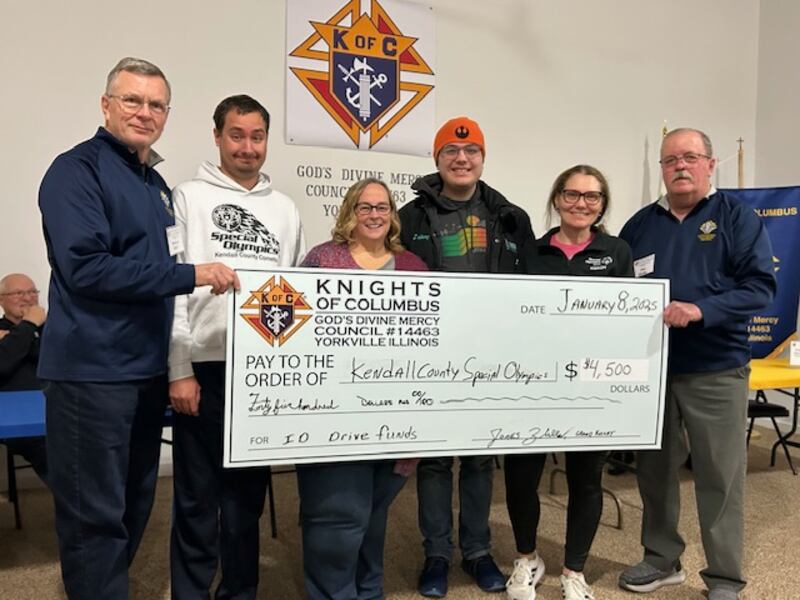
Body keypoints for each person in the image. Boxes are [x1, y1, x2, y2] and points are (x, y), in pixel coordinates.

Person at [37, 57, 238, 600]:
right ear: (106, 105)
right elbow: (86, 267)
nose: (143, 112)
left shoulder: (155, 184)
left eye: (155, 104)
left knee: (133, 504)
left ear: (167, 114)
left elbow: (152, 275)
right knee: (93, 519)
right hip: (91, 375)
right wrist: (192, 275)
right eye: (132, 100)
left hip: (144, 372)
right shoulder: (75, 170)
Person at [617, 128, 776, 600]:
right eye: (670, 160)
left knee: (719, 476)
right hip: (653, 371)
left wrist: (702, 310)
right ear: (662, 169)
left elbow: (760, 287)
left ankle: (725, 577)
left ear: (710, 164)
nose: (679, 166)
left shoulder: (737, 218)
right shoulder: (639, 225)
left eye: (690, 157)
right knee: (655, 470)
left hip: (716, 368)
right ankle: (662, 559)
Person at [168, 94, 306, 600]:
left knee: (246, 500)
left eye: (257, 136)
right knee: (197, 499)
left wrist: (285, 371)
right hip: (202, 365)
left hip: (260, 374)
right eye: (236, 135)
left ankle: (240, 591)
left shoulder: (285, 208)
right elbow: (173, 287)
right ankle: (190, 592)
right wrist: (178, 367)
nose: (247, 147)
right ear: (217, 136)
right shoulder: (187, 197)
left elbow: (292, 298)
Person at [399, 117, 535, 597]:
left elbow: (529, 290)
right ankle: (436, 552)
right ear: (437, 159)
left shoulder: (511, 216)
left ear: (482, 157)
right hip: (431, 355)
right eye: (452, 152)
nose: (462, 158)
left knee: (479, 459)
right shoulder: (411, 216)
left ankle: (477, 551)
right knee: (434, 461)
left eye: (472, 150)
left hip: (491, 357)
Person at [504, 166, 633, 600]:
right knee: (522, 476)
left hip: (592, 388)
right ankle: (527, 559)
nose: (582, 203)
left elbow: (627, 322)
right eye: (572, 194)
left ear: (603, 204)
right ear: (557, 199)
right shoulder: (530, 251)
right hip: (533, 384)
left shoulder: (617, 252)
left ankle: (574, 570)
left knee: (587, 479)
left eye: (592, 197)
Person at [297, 177, 426, 600]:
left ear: (393, 216)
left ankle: (368, 591)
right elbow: (295, 330)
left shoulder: (412, 267)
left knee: (372, 518)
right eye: (365, 207)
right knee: (338, 520)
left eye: (383, 207)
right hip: (334, 413)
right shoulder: (322, 259)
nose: (374, 215)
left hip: (394, 416)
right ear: (350, 212)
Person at [0, 273, 48, 482]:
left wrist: (14, 339)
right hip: (20, 420)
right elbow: (2, 364)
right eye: (18, 293)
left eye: (32, 292)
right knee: (58, 453)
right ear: (1, 300)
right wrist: (28, 326)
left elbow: (58, 358)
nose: (28, 298)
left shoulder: (51, 329)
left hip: (60, 409)